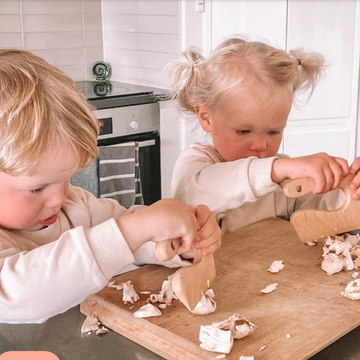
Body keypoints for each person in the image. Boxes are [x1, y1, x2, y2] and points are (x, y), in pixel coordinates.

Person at [0, 49, 221, 324]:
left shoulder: (76, 205)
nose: (59, 197)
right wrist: (135, 229)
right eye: (37, 188)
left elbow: (131, 237)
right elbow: (19, 295)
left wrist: (176, 240)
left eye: (67, 177)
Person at [168, 35, 360, 235]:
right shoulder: (194, 166)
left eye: (273, 132)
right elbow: (201, 193)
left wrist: (352, 191)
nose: (260, 145)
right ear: (206, 117)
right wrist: (276, 169)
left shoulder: (281, 173)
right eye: (244, 131)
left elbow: (327, 213)